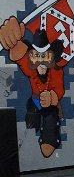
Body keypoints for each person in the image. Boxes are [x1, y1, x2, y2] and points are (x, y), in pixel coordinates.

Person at [0, 16, 66, 158]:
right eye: (37, 58)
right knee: (32, 114)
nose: (41, 64)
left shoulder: (55, 71)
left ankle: (49, 140)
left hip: (50, 103)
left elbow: (59, 89)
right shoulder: (30, 66)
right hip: (36, 100)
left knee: (50, 118)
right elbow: (18, 54)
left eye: (45, 58)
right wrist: (12, 41)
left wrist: (52, 97)